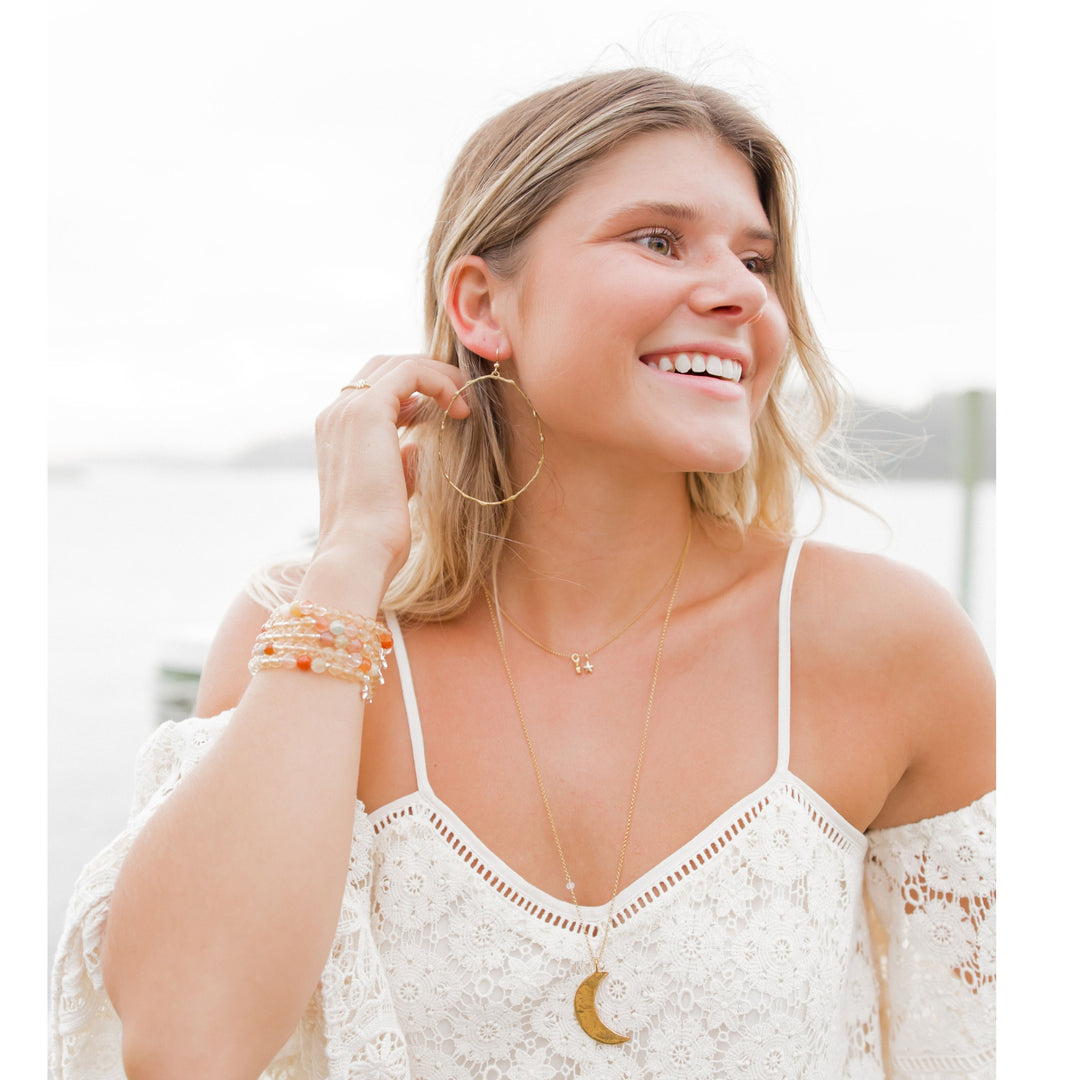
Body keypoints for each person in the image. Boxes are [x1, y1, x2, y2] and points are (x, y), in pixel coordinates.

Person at [50, 68, 995, 1079]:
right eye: (659, 239)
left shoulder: (887, 646)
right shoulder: (310, 630)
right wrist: (351, 556)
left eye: (757, 260)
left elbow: (974, 1042)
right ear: (480, 306)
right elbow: (187, 1044)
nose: (738, 294)